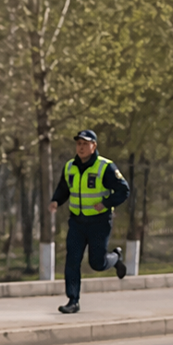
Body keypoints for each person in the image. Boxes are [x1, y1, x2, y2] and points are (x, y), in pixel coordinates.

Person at [48, 129, 130, 314]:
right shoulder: (70, 166)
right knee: (72, 260)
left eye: (85, 144)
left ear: (94, 146)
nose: (81, 147)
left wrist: (106, 203)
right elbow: (63, 188)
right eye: (79, 144)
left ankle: (115, 257)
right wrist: (56, 200)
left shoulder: (105, 167)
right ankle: (73, 300)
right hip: (77, 222)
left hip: (99, 222)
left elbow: (124, 190)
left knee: (97, 263)